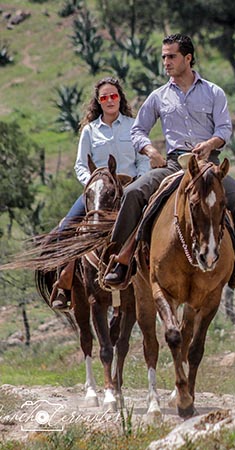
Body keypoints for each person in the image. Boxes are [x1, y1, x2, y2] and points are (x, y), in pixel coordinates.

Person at [102, 34, 235, 300]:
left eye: (171, 56)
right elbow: (139, 130)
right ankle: (120, 260)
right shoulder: (158, 96)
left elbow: (224, 128)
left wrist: (210, 144)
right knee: (133, 194)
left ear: (188, 58)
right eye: (164, 56)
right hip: (174, 165)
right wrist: (151, 150)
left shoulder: (213, 92)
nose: (166, 62)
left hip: (209, 168)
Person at [51, 77, 150, 310]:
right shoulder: (89, 130)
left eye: (113, 96)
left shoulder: (133, 126)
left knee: (153, 220)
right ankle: (64, 283)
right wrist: (93, 183)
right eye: (104, 97)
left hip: (129, 188)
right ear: (98, 101)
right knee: (66, 227)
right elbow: (80, 165)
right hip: (98, 191)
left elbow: (143, 159)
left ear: (120, 98)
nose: (109, 101)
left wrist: (139, 181)